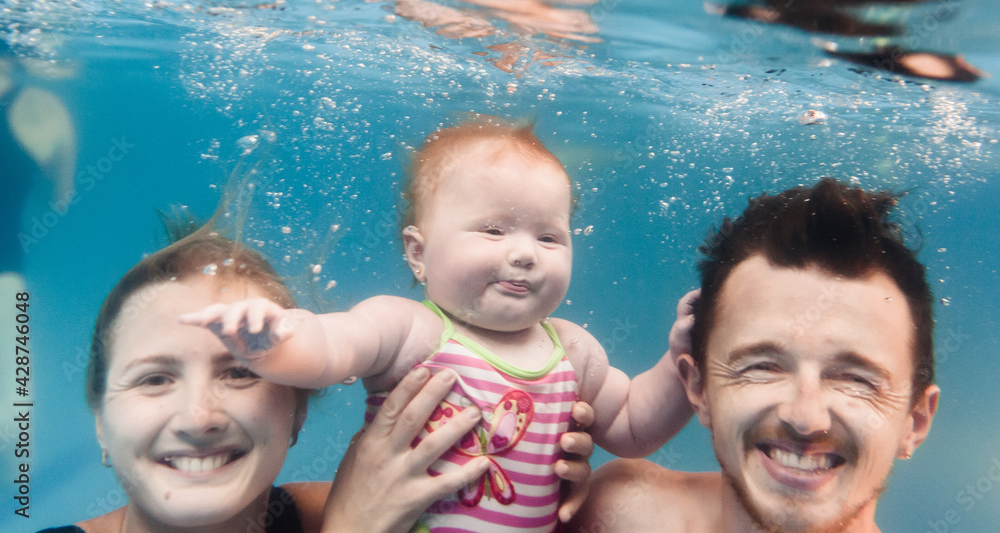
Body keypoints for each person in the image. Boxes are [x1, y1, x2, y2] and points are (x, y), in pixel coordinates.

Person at [182, 115, 693, 533]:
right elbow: (332, 347)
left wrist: (678, 361)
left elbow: (631, 426)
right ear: (418, 253)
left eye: (550, 238)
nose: (524, 254)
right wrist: (273, 339)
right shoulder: (409, 329)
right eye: (493, 230)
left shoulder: (574, 351)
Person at [39, 224, 595, 533]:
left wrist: (534, 483)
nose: (198, 417)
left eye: (239, 372)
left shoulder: (365, 508)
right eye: (154, 380)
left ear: (297, 411)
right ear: (100, 426)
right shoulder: (355, 517)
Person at [568, 177, 940, 533]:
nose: (805, 419)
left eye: (856, 379)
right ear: (698, 388)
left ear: (916, 421)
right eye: (762, 367)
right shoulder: (615, 514)